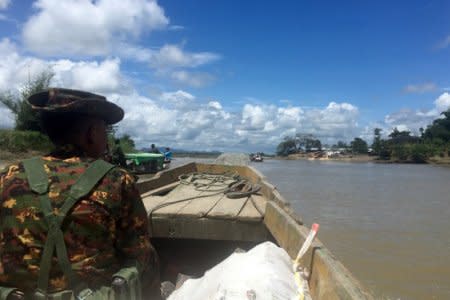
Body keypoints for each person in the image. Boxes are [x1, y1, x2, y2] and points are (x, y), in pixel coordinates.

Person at [0, 88, 160, 299]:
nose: (106, 137)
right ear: (92, 133)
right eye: (105, 129)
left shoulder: (8, 176)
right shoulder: (116, 180)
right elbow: (138, 252)